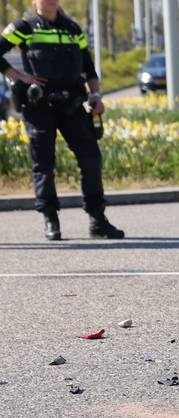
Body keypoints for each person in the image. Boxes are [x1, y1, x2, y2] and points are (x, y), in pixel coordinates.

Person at [0, 0, 123, 240]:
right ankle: (51, 219)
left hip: (73, 104)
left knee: (91, 159)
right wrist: (19, 76)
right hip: (39, 106)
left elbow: (88, 67)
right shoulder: (24, 27)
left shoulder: (72, 29)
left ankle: (97, 219)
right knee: (44, 163)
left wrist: (96, 95)